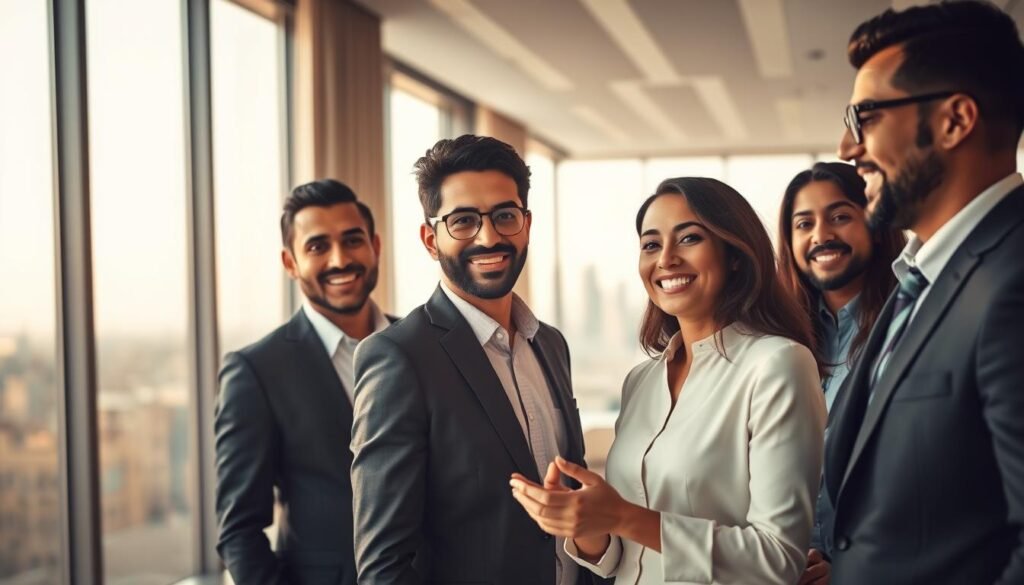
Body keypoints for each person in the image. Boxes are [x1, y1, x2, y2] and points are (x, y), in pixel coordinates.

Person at [510, 177, 826, 584]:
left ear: (734, 254)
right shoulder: (641, 381)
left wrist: (624, 516)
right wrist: (585, 523)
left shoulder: (778, 364)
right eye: (651, 245)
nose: (666, 259)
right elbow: (624, 559)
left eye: (689, 238)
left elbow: (777, 560)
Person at [825, 2, 1024, 583]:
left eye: (866, 116)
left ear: (955, 120)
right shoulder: (924, 279)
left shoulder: (1013, 282)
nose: (846, 145)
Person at [349, 135, 590, 585]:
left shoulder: (552, 345)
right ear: (430, 239)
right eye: (463, 221)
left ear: (527, 223)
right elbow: (385, 566)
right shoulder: (398, 357)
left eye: (505, 215)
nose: (489, 236)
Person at [215, 179, 392, 585]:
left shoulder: (421, 347)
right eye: (317, 247)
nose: (339, 260)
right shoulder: (256, 371)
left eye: (353, 240)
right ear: (290, 262)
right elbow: (239, 531)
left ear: (375, 246)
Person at [777, 162, 905, 585]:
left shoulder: (910, 327)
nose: (821, 235)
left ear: (875, 222)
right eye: (804, 223)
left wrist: (847, 568)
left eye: (840, 216)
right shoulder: (774, 342)